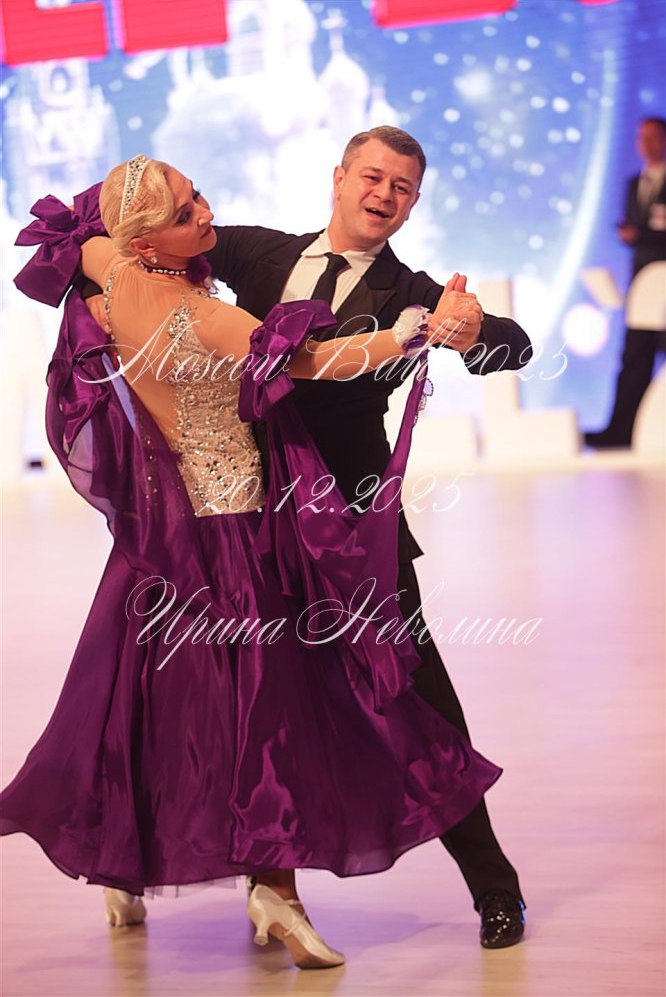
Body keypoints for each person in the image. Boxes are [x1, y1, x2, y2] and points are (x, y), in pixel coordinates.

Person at [1, 155, 503, 971]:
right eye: (185, 209)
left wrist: (466, 328)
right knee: (264, 719)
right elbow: (318, 359)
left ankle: (131, 866)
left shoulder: (105, 281)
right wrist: (409, 332)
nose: (206, 213)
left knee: (151, 713)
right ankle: (274, 888)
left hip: (163, 544)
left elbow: (89, 236)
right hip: (242, 541)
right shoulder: (205, 316)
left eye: (199, 195)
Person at [585, 116, 666, 449]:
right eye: (640, 137)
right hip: (644, 283)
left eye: (653, 137)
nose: (645, 144)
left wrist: (642, 233)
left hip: (662, 280)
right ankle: (621, 431)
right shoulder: (635, 183)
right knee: (634, 357)